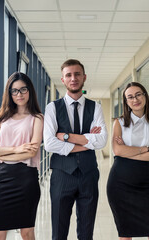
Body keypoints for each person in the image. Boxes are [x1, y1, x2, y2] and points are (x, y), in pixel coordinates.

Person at [44, 59, 108, 240]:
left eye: (77, 74)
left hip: (89, 174)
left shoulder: (95, 107)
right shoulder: (52, 108)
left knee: (86, 233)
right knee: (59, 232)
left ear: (84, 77)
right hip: (61, 175)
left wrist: (65, 136)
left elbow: (101, 140)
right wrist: (88, 141)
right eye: (69, 75)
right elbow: (49, 144)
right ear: (63, 80)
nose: (73, 78)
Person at [0, 72, 43, 240]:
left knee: (27, 232)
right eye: (14, 91)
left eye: (23, 89)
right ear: (9, 94)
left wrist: (1, 151)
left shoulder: (37, 118)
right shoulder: (2, 118)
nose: (19, 94)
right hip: (4, 179)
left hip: (26, 178)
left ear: (29, 91)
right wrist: (16, 150)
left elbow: (31, 152)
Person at [106, 82, 149, 240]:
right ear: (126, 101)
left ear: (145, 95)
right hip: (119, 185)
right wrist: (147, 149)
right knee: (126, 236)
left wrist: (128, 151)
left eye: (138, 94)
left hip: (144, 185)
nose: (135, 99)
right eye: (130, 97)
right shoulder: (119, 123)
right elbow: (117, 151)